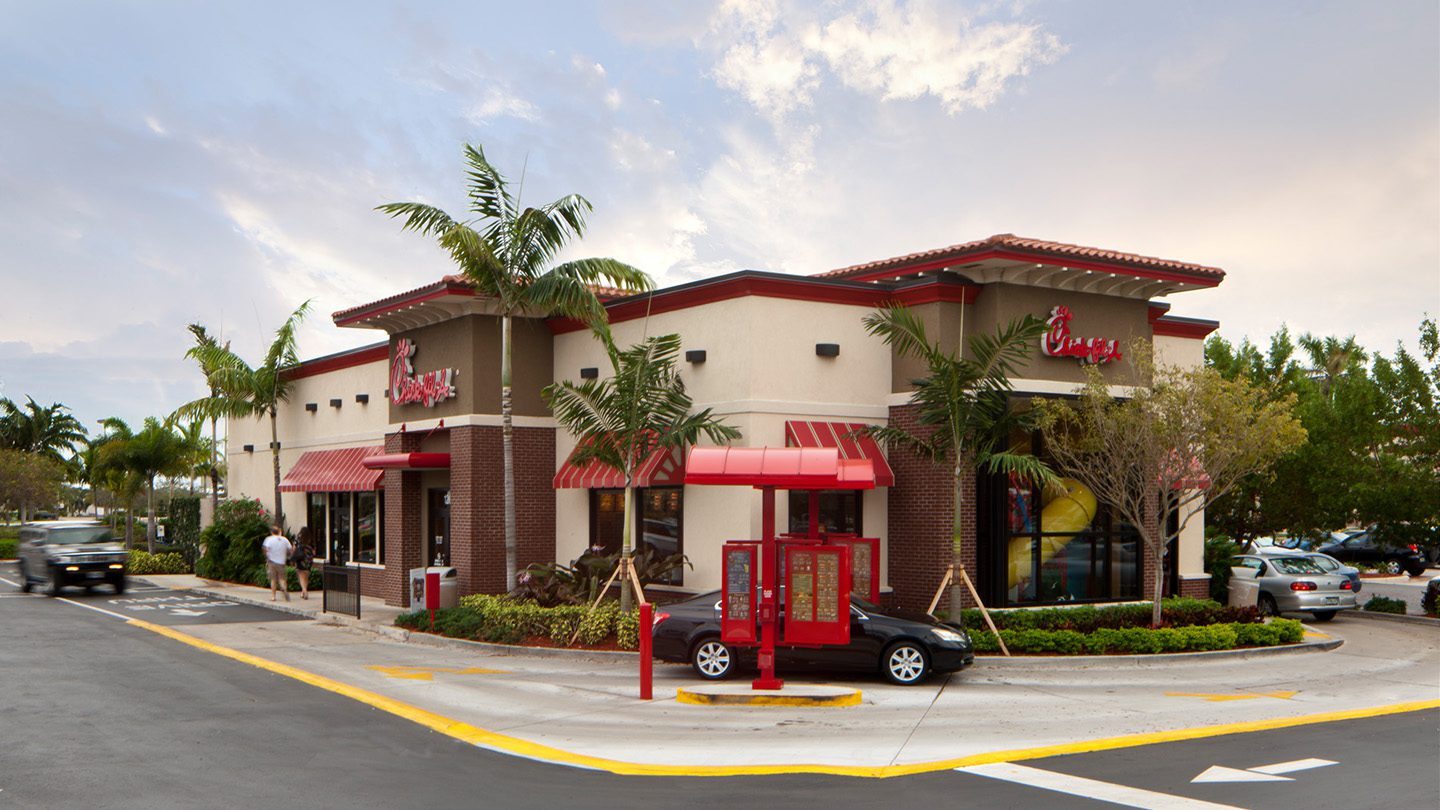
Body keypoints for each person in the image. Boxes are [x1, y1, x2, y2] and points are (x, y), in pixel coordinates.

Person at [261, 525, 293, 602]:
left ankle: (273, 596)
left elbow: (265, 549)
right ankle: (284, 588)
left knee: (273, 580)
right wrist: (288, 556)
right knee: (282, 578)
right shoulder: (284, 539)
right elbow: (290, 549)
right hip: (282, 562)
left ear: (271, 532)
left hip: (272, 561)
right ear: (279, 531)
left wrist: (267, 556)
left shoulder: (269, 539)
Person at [292, 526, 316, 600]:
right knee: (306, 576)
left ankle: (304, 591)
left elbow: (294, 548)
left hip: (300, 559)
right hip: (308, 559)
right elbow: (314, 551)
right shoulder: (311, 539)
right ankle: (303, 591)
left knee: (301, 575)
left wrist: (293, 557)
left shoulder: (298, 539)